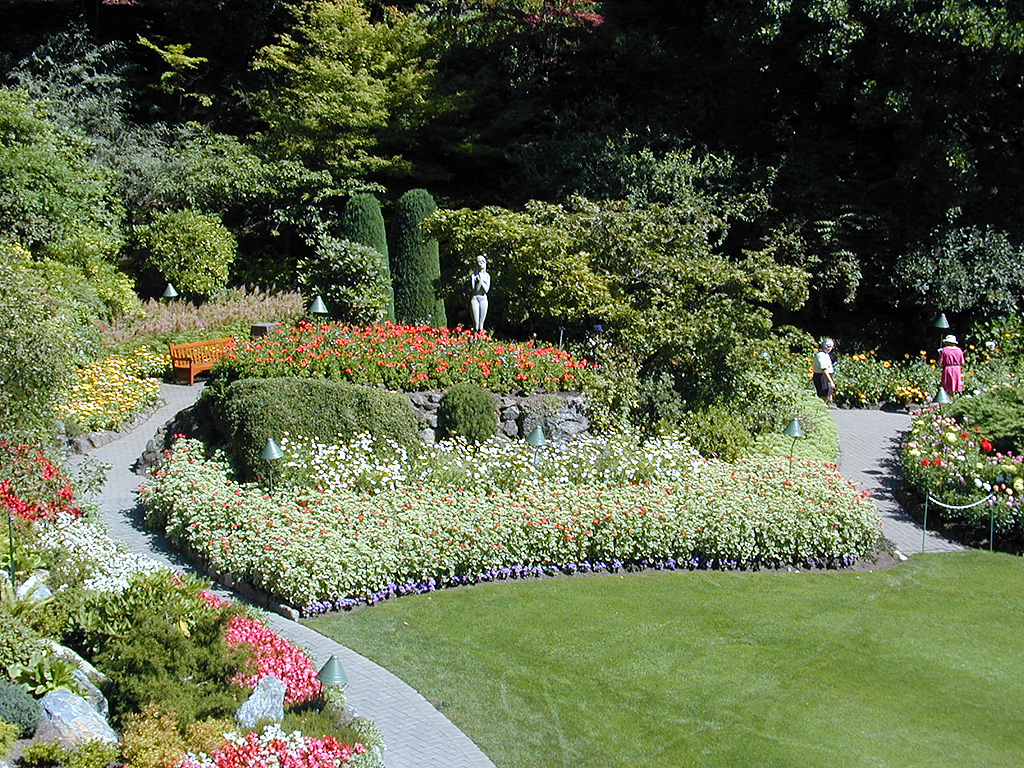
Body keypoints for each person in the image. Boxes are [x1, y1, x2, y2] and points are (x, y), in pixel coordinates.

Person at [812, 338, 836, 405]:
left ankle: (822, 410)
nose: (829, 348)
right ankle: (819, 411)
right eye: (827, 346)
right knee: (823, 397)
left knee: (828, 397)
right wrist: (830, 381)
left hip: (827, 376)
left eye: (830, 347)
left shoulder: (826, 355)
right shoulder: (821, 355)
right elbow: (824, 370)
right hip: (822, 376)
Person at [470, 255, 490, 332]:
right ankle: (474, 339)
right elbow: (475, 290)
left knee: (481, 326)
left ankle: (480, 340)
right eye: (479, 262)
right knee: (476, 325)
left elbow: (486, 290)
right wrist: (479, 282)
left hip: (483, 299)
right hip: (475, 298)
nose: (481, 264)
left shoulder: (487, 276)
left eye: (482, 262)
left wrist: (480, 281)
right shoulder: (473, 276)